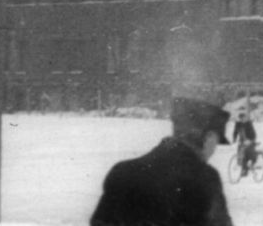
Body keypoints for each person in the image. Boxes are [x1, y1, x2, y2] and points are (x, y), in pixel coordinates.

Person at [90, 96, 233, 226]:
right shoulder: (204, 177)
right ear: (208, 138)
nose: (214, 150)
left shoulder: (122, 172)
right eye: (216, 141)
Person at [232, 109, 259, 177]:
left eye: (243, 118)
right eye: (241, 118)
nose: (242, 119)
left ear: (245, 118)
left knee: (248, 153)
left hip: (250, 140)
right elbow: (235, 132)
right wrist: (234, 139)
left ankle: (248, 167)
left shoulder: (248, 124)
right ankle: (244, 168)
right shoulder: (238, 124)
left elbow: (253, 133)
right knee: (241, 155)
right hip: (242, 141)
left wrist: (250, 140)